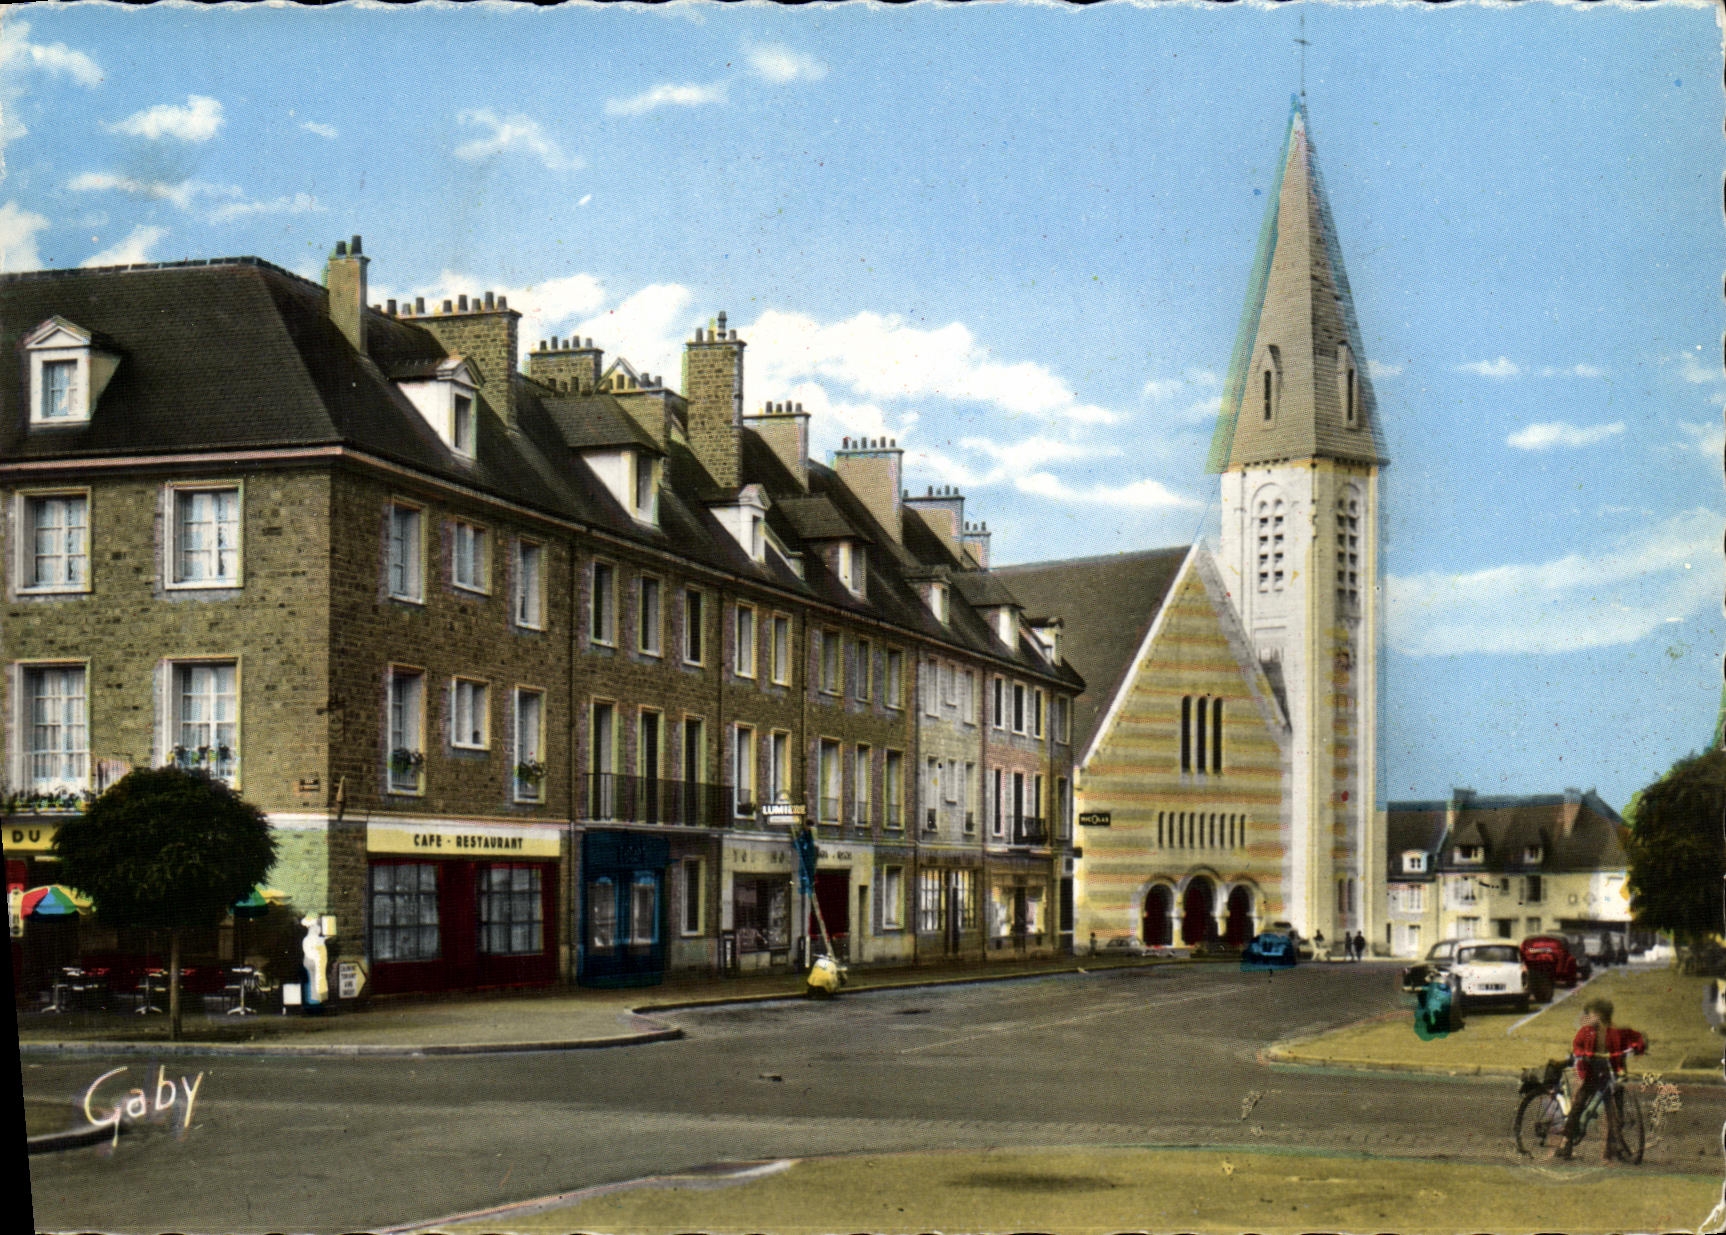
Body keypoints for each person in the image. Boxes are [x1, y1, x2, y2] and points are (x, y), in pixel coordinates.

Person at [1554, 998, 1647, 1161]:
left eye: (1590, 1014)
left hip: (1611, 1075)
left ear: (1599, 1015)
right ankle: (1566, 1142)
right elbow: (1577, 1045)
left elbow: (1637, 1038)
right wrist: (1583, 1054)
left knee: (1616, 1112)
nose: (1587, 1017)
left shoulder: (1617, 1032)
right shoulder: (1586, 1032)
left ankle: (1616, 1146)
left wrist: (1638, 1046)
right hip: (1592, 1074)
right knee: (1578, 1105)